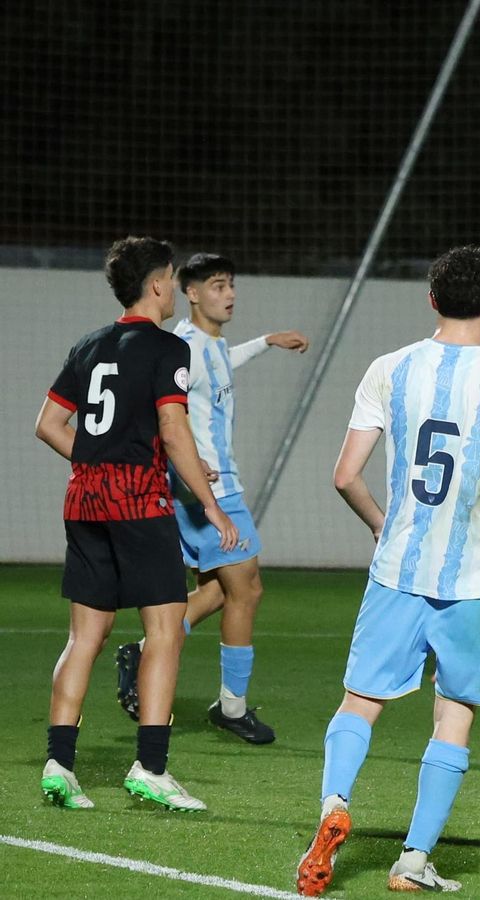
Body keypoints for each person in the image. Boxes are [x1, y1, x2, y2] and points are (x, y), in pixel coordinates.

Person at [294, 246, 480, 896]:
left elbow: (344, 475)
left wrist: (377, 521)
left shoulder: (389, 369)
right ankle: (412, 860)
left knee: (359, 702)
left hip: (397, 569)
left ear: (432, 299)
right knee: (454, 716)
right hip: (471, 583)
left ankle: (335, 803)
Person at [35, 236, 238, 812]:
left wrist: (94, 462)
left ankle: (59, 764)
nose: (173, 289)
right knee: (167, 631)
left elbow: (50, 424)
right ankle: (150, 768)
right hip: (139, 504)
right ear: (156, 284)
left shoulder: (89, 345)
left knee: (84, 637)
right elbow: (174, 433)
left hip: (83, 503)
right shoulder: (169, 349)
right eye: (171, 279)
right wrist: (210, 505)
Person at [114, 252, 309, 744]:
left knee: (222, 591)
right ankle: (231, 707)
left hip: (213, 488)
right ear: (192, 292)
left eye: (232, 285)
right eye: (219, 285)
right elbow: (159, 413)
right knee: (248, 589)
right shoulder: (182, 348)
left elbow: (223, 361)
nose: (230, 294)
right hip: (209, 492)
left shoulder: (209, 345)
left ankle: (144, 649)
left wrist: (267, 341)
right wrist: (187, 469)